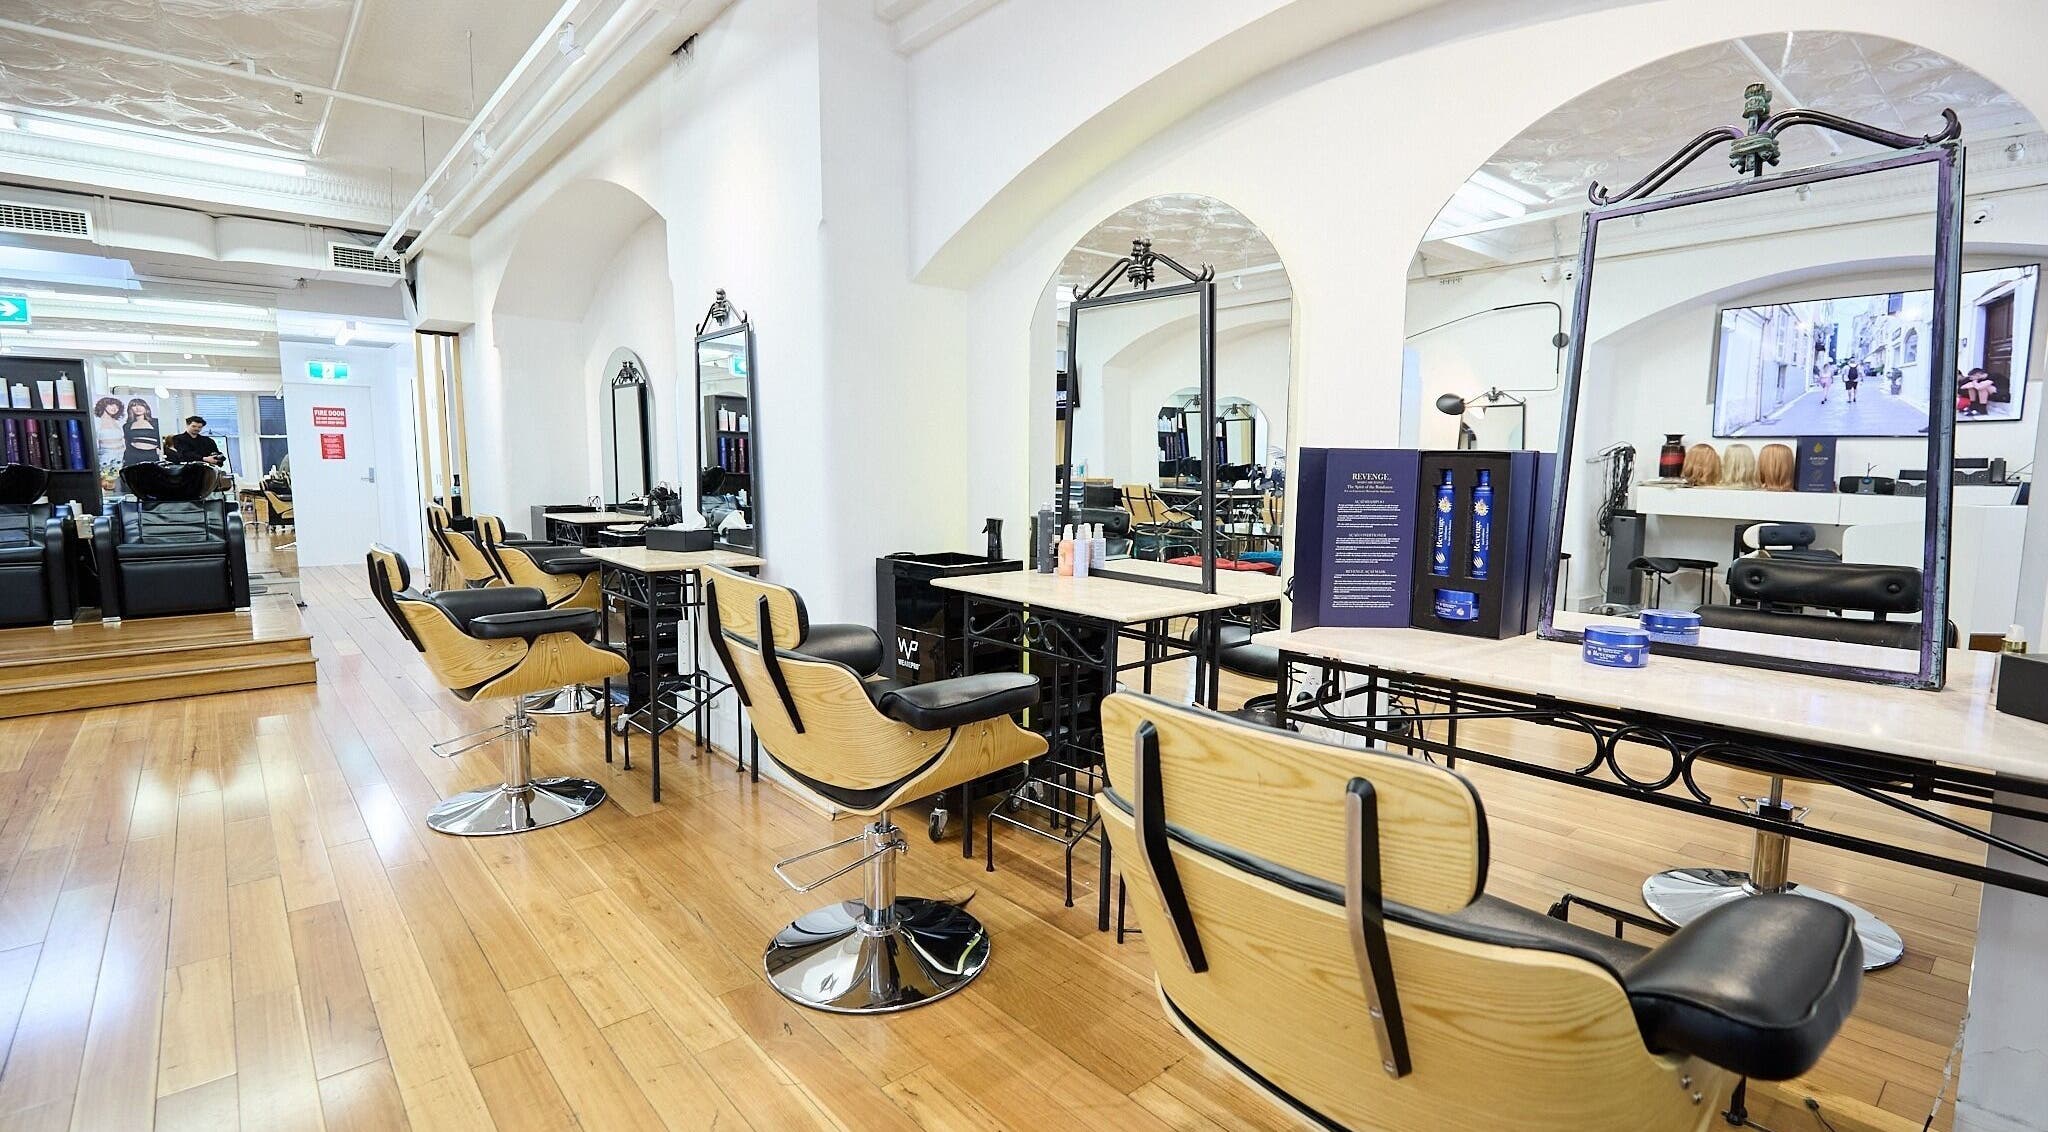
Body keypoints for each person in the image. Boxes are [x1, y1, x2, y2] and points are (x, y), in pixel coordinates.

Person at [122, 399, 162, 466]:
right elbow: (127, 443)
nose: (138, 408)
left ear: (145, 407)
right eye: (134, 406)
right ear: (130, 409)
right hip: (134, 456)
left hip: (152, 455)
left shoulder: (156, 422)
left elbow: (160, 439)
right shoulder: (127, 426)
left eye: (141, 405)